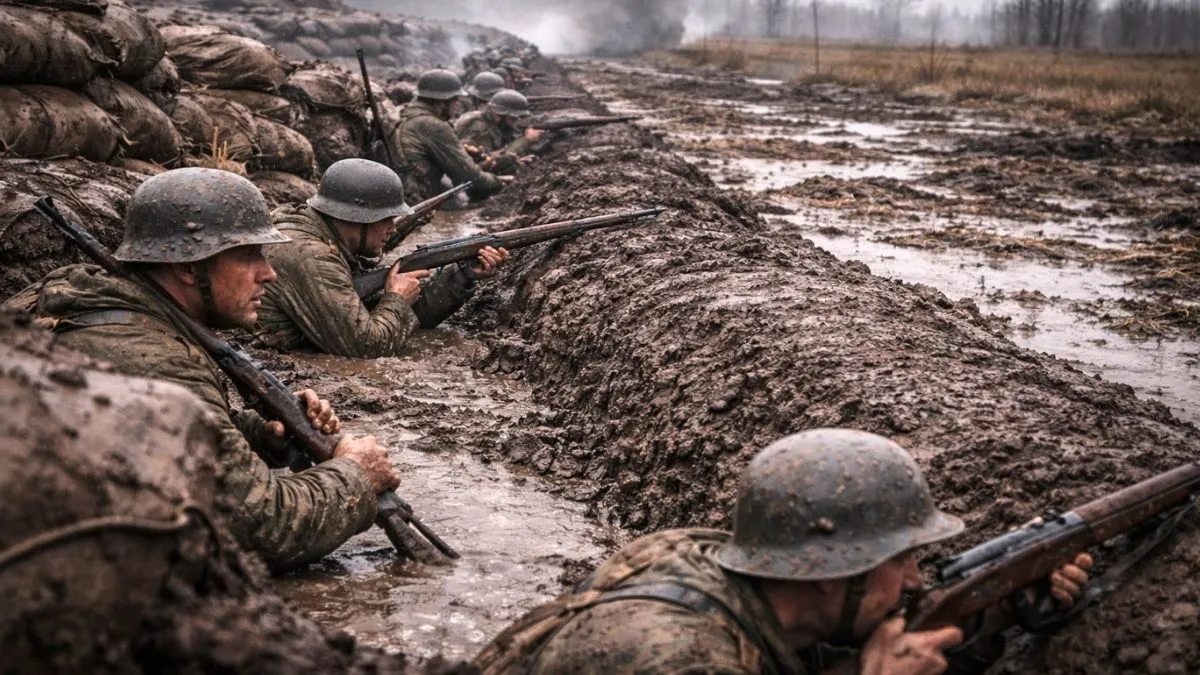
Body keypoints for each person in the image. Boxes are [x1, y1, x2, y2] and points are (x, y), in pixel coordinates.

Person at [6, 168, 401, 574]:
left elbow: (167, 433)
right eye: (249, 256)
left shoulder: (103, 309)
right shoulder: (154, 358)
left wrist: (263, 435)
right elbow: (261, 528)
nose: (270, 272)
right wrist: (356, 475)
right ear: (188, 269)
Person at [473, 428, 1092, 675]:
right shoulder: (678, 659)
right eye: (897, 558)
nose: (912, 580)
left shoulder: (708, 564)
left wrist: (989, 621)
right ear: (829, 574)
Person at [256, 158, 509, 357]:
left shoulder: (324, 235)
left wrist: (462, 276)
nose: (393, 228)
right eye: (385, 219)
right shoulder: (312, 257)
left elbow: (402, 318)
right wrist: (396, 299)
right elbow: (367, 347)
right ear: (357, 217)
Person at [389, 68, 504, 203]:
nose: (457, 104)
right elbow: (469, 177)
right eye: (455, 99)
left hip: (399, 192)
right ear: (441, 101)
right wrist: (499, 183)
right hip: (418, 198)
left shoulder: (405, 113)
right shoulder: (432, 124)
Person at [455, 89, 544, 175]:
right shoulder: (479, 127)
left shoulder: (493, 124)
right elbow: (487, 163)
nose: (516, 121)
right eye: (513, 118)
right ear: (499, 114)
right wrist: (526, 140)